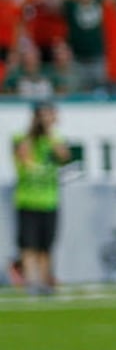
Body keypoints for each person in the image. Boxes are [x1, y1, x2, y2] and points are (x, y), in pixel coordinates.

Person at [12, 101, 70, 295]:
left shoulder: (54, 139)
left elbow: (64, 156)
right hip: (27, 199)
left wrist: (49, 132)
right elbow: (23, 157)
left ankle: (45, 281)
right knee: (29, 245)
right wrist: (32, 131)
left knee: (46, 246)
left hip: (49, 200)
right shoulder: (21, 138)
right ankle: (32, 282)